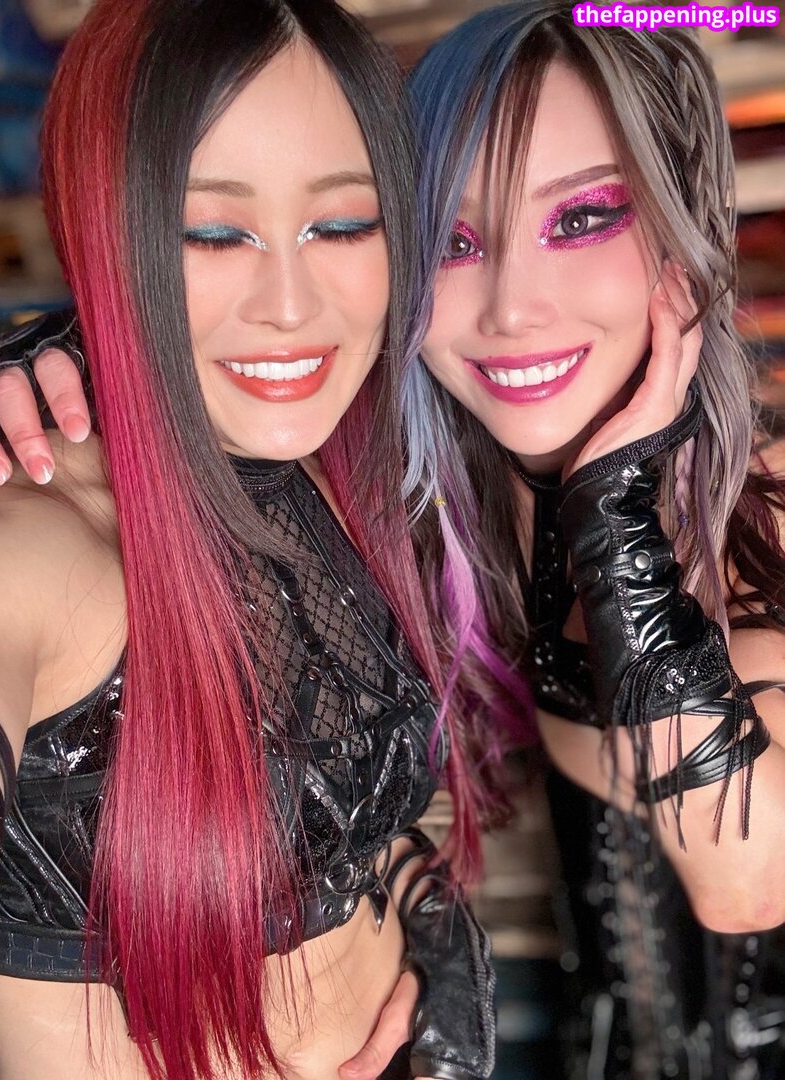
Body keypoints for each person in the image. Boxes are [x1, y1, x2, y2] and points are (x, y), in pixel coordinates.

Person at [0, 1, 520, 1078]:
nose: (289, 304)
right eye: (213, 234)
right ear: (111, 235)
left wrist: (433, 937)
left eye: (343, 225)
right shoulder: (24, 544)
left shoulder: (327, 466)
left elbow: (332, 813)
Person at [401, 4, 785, 1078]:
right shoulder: (448, 509)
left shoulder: (772, 508)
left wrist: (613, 509)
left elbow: (748, 883)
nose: (510, 309)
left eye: (580, 218)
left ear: (679, 225)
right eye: (453, 242)